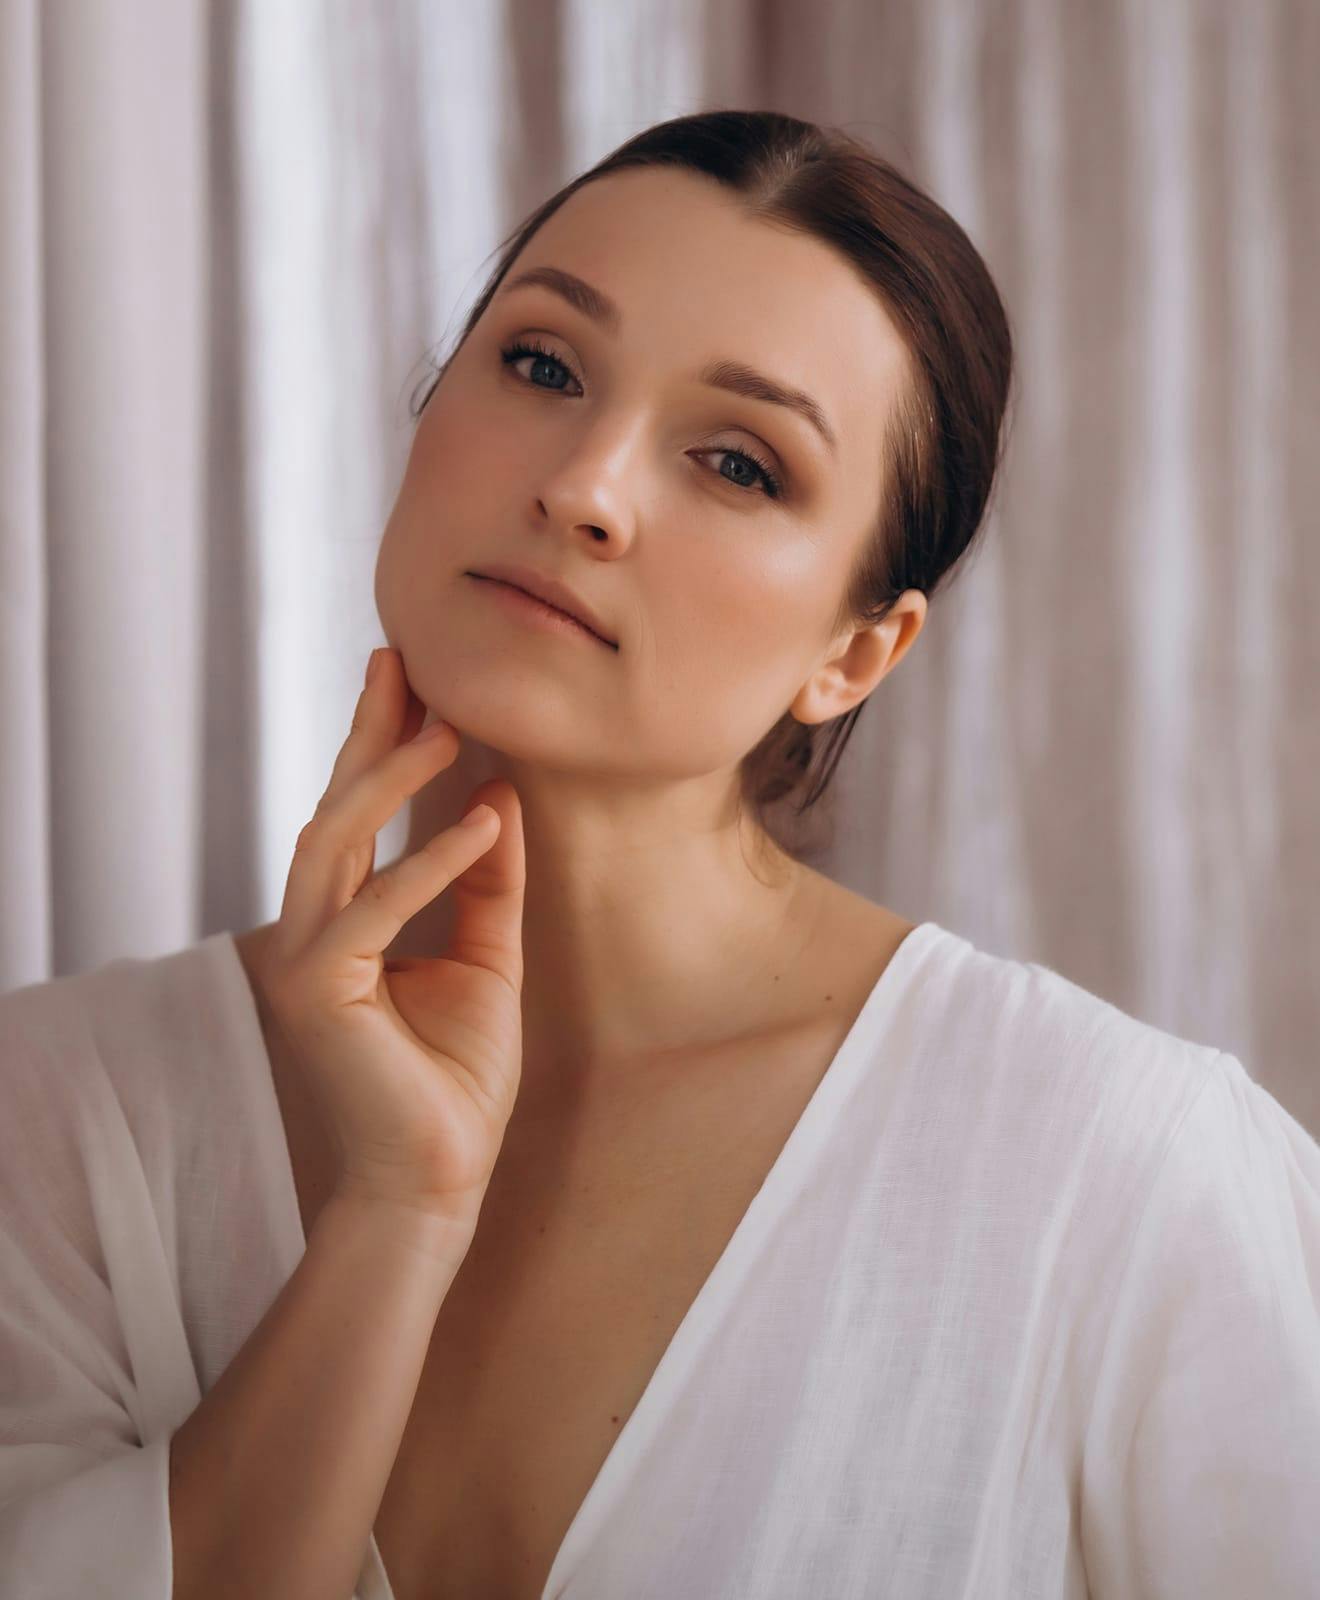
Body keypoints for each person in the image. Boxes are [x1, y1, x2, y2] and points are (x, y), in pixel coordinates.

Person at [3, 109, 1318, 1600]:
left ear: (855, 653)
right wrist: (396, 1212)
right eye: (543, 366)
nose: (585, 487)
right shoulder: (52, 1115)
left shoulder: (1121, 1179)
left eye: (740, 463)